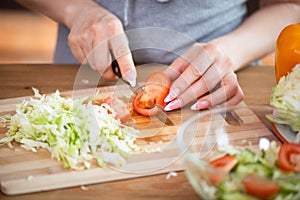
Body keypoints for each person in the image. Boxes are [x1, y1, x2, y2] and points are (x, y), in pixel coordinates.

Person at [17, 0, 300, 111]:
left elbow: (291, 6)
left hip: (219, 88)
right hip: (81, 74)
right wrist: (74, 10)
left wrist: (231, 49)